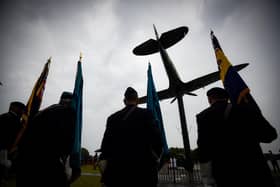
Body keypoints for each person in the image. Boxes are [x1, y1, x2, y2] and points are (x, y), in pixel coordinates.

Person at [196, 87, 277, 187]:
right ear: (227, 98)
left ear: (209, 99)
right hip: (257, 172)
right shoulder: (247, 108)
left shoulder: (203, 116)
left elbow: (204, 150)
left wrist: (207, 179)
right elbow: (270, 135)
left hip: (226, 176)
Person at [99, 87, 163, 187]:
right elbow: (158, 141)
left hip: (117, 173)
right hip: (143, 173)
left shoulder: (112, 118)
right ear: (137, 100)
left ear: (124, 101)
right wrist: (154, 160)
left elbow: (105, 147)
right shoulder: (147, 114)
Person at [16, 92, 81, 187]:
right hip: (48, 161)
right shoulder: (68, 112)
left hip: (26, 160)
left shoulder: (40, 113)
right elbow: (66, 140)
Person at [0, 101, 25, 184]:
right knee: (4, 165)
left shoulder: (3, 116)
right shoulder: (14, 120)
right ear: (14, 108)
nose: (22, 112)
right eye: (21, 109)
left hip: (5, 147)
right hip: (6, 147)